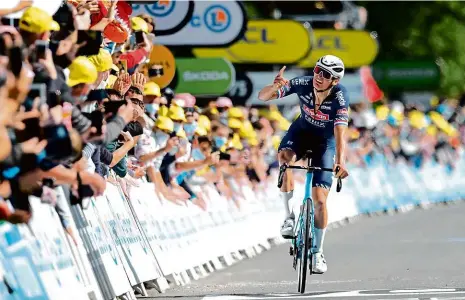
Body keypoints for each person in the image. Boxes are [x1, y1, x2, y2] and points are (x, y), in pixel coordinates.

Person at [258, 55, 350, 274]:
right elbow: (263, 97)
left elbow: (340, 132)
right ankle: (289, 218)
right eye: (318, 70)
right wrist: (274, 86)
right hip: (301, 133)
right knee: (285, 159)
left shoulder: (340, 96)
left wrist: (341, 162)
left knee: (320, 200)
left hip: (325, 144)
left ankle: (317, 252)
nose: (319, 76)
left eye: (326, 75)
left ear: (334, 81)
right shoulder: (303, 82)